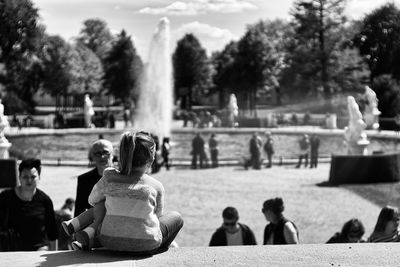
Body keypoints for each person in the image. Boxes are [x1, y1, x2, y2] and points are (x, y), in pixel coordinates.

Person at [62, 131, 184, 253]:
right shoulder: (156, 185)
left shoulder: (109, 177)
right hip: (145, 245)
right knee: (176, 217)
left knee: (107, 208)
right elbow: (157, 217)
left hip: (109, 241)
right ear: (151, 159)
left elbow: (92, 200)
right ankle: (160, 248)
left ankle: (87, 238)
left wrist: (112, 200)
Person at [0, 159, 58, 251]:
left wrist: (54, 259)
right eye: (25, 177)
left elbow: (52, 233)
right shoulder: (5, 197)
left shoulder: (45, 200)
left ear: (39, 177)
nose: (29, 180)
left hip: (38, 251)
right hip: (10, 253)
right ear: (19, 177)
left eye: (33, 176)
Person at [75, 139, 114, 217]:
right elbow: (79, 210)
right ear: (92, 156)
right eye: (98, 154)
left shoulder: (123, 176)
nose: (102, 156)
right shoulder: (84, 180)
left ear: (112, 154)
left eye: (105, 152)